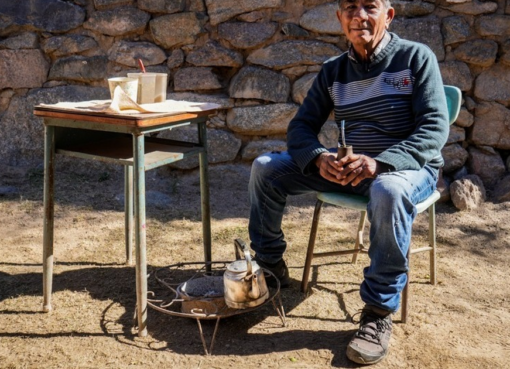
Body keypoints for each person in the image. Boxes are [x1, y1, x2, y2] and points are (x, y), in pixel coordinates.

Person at [247, 0, 449, 365]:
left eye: (370, 6)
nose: (360, 15)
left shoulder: (416, 58)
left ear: (388, 16)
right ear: (340, 20)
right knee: (265, 166)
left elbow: (434, 129)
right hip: (350, 169)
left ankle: (377, 313)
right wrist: (319, 158)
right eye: (350, 8)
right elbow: (301, 128)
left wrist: (380, 163)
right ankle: (270, 267)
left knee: (388, 189)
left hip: (407, 171)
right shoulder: (334, 71)